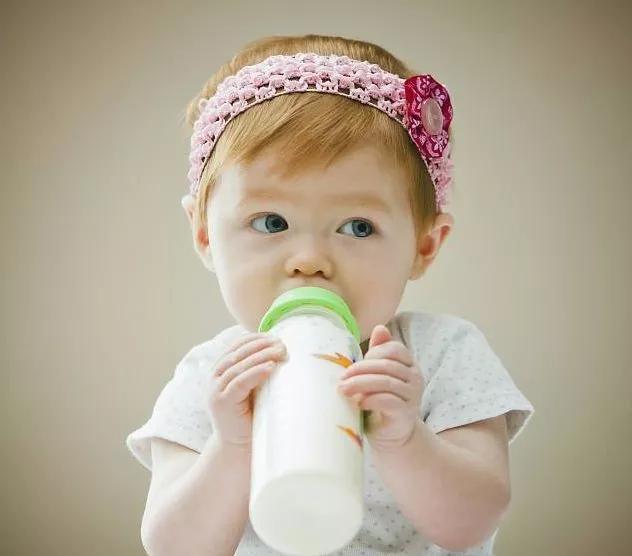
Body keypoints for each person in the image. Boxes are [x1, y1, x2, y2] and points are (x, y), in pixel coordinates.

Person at [126, 34, 535, 556]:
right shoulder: (213, 378)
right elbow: (173, 548)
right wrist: (231, 445)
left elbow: (473, 522)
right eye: (271, 222)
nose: (309, 260)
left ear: (424, 245)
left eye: (358, 227)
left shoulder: (440, 355)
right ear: (205, 234)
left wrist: (405, 439)